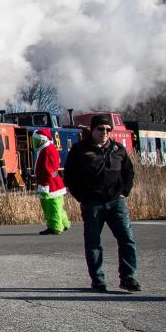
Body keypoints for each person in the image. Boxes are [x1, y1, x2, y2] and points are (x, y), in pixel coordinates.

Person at [63, 116, 140, 293]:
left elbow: (128, 171)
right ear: (92, 130)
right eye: (100, 129)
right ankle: (97, 279)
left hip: (116, 202)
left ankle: (128, 278)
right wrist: (83, 198)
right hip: (92, 204)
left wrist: (124, 191)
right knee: (93, 243)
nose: (104, 132)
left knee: (127, 240)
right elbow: (70, 176)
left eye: (107, 129)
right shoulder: (79, 150)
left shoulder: (118, 149)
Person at [32, 128, 71, 235]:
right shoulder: (47, 149)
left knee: (52, 206)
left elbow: (47, 169)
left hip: (50, 184)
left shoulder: (47, 150)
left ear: (40, 140)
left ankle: (55, 227)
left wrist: (44, 184)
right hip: (52, 183)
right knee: (57, 205)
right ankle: (64, 223)